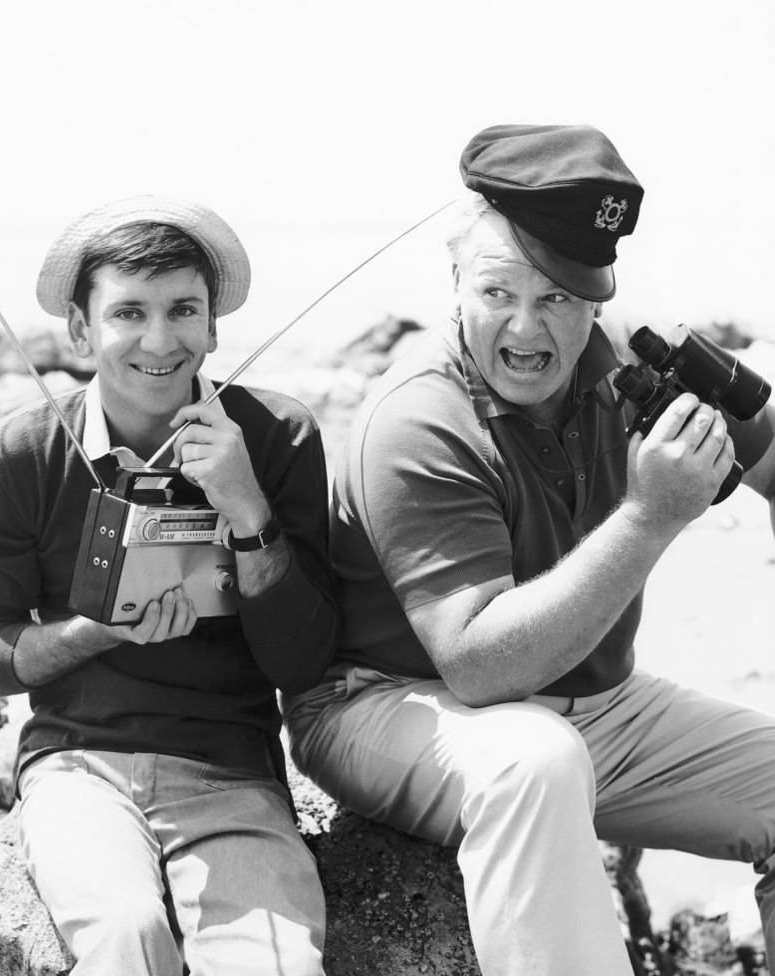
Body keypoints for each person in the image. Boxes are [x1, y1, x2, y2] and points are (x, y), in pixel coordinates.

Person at [282, 125, 775, 975]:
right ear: (455, 282)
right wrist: (651, 516)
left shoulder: (625, 355)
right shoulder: (418, 418)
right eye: (498, 292)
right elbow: (477, 666)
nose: (526, 327)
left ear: (597, 297)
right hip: (394, 702)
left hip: (598, 702)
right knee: (534, 763)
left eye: (557, 299)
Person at [0, 195, 339, 976]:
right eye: (128, 312)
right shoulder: (18, 453)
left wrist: (247, 507)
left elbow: (306, 661)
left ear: (213, 327)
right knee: (126, 934)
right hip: (77, 767)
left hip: (230, 772)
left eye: (183, 310)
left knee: (274, 965)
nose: (160, 339)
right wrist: (93, 631)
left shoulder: (277, 438)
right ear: (80, 330)